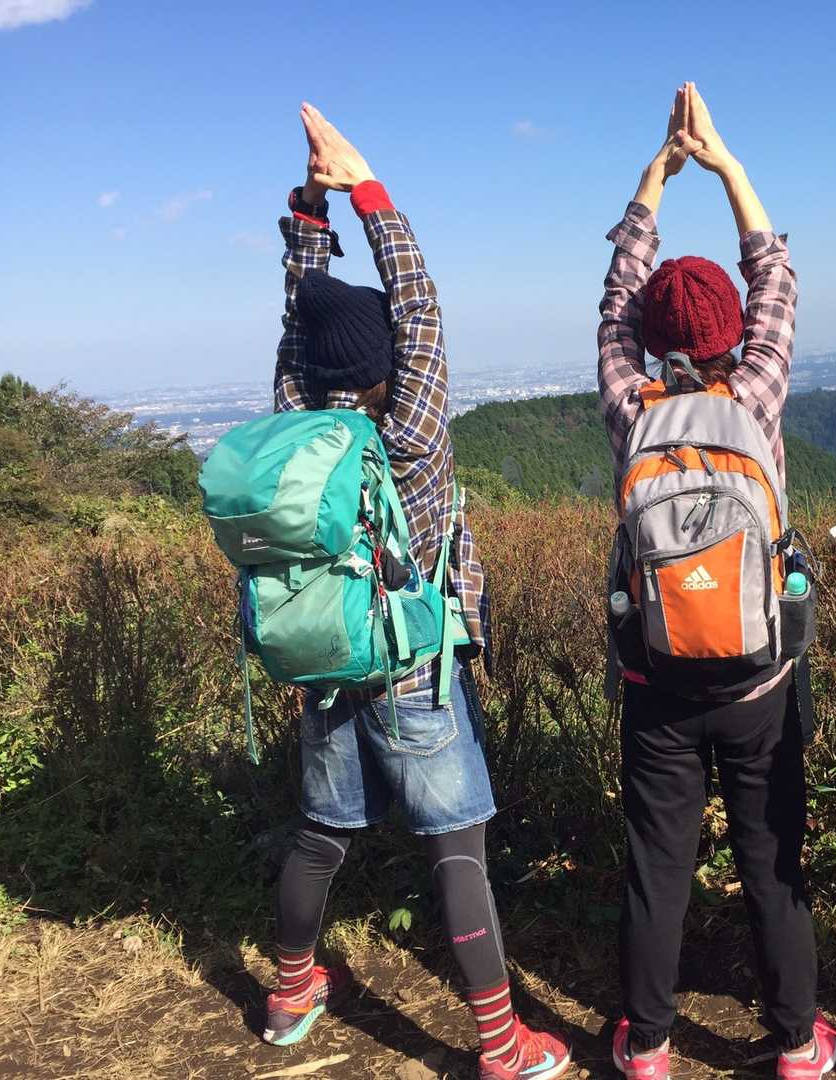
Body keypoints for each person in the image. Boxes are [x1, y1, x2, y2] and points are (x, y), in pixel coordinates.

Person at [262, 103, 570, 1080]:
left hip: (323, 656)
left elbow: (300, 326)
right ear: (390, 361)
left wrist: (309, 219)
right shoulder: (412, 434)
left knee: (320, 835)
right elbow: (420, 303)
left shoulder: (294, 427)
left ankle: (289, 993)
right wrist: (365, 190)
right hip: (410, 666)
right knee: (456, 848)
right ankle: (500, 1046)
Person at [597, 83, 836, 1080]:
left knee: (657, 869)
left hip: (656, 679)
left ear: (651, 336)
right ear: (735, 327)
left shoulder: (631, 403)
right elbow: (776, 276)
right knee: (772, 863)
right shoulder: (756, 394)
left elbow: (615, 298)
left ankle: (648, 1046)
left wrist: (653, 178)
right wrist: (726, 165)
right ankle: (796, 1042)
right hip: (760, 679)